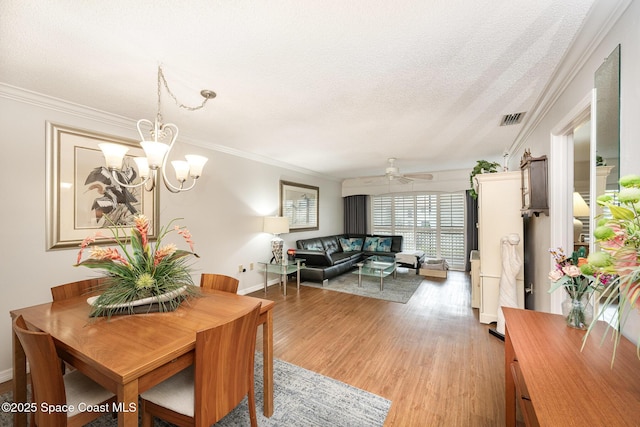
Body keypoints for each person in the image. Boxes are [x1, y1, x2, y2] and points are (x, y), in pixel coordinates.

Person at [496, 233, 522, 335]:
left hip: (509, 282)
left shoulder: (513, 259)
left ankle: (508, 326)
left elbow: (516, 266)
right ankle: (503, 326)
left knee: (508, 302)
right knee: (504, 302)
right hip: (506, 281)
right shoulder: (509, 256)